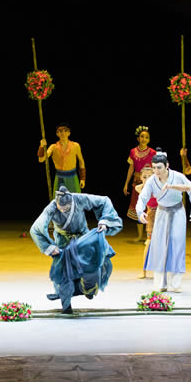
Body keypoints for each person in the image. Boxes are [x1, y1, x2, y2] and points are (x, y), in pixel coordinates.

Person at [30, 185, 123, 314]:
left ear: (71, 203)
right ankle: (66, 305)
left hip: (82, 239)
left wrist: (104, 221)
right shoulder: (51, 207)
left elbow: (104, 201)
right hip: (63, 242)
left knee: (92, 266)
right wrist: (49, 247)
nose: (62, 210)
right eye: (60, 208)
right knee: (63, 272)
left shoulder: (78, 199)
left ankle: (88, 289)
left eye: (66, 208)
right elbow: (35, 229)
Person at [136, 150, 191, 292]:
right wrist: (140, 212)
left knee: (177, 242)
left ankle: (175, 283)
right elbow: (143, 197)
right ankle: (160, 283)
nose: (156, 171)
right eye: (154, 168)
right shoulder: (152, 180)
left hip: (177, 211)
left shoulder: (178, 176)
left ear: (167, 165)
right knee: (159, 246)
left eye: (159, 167)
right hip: (161, 212)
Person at [123, 126, 155, 242]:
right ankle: (140, 235)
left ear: (149, 140)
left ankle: (150, 235)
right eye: (142, 136)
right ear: (138, 138)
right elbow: (131, 168)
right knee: (139, 207)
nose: (144, 139)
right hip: (137, 183)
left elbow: (156, 168)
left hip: (149, 183)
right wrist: (126, 183)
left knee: (150, 208)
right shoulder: (133, 152)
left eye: (146, 137)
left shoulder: (153, 153)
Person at [38, 122, 86, 194]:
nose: (63, 133)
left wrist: (82, 178)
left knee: (75, 198)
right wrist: (41, 146)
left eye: (65, 131)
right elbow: (41, 159)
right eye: (60, 131)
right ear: (57, 134)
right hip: (60, 178)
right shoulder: (53, 147)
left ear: (69, 133)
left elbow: (81, 161)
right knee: (59, 199)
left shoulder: (75, 146)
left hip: (72, 177)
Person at [133, 166, 158, 280]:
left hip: (163, 214)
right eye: (144, 177)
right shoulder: (139, 188)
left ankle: (163, 270)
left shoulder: (159, 187)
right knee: (148, 243)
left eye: (150, 176)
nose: (147, 179)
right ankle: (144, 271)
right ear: (140, 178)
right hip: (151, 216)